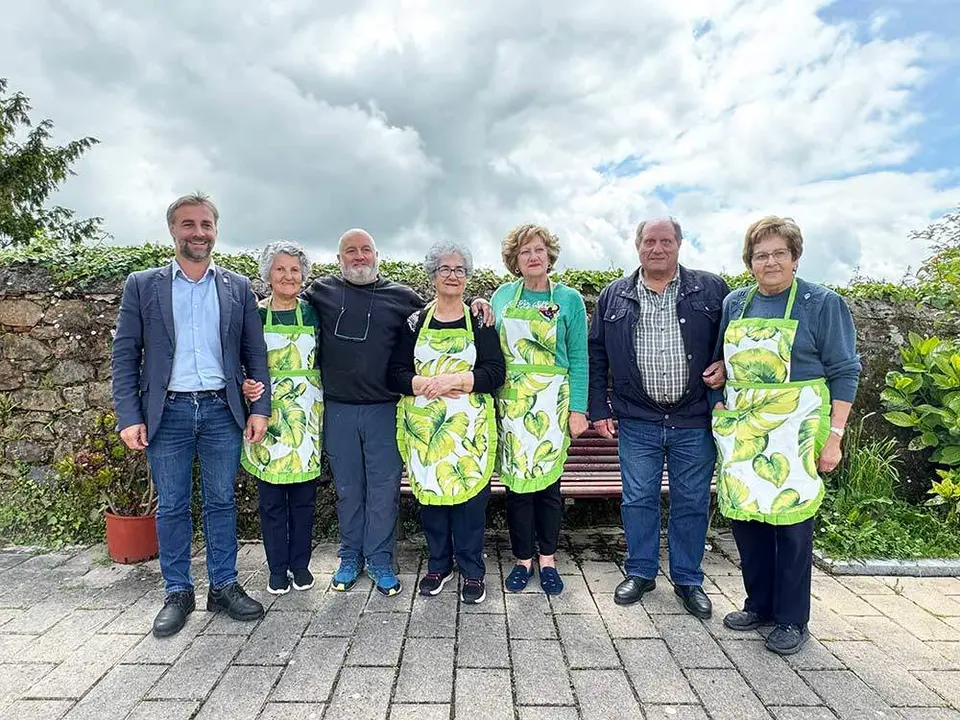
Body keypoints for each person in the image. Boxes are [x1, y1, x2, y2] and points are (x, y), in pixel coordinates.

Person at [111, 192, 271, 638]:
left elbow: (254, 352)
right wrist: (129, 415)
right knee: (173, 505)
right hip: (168, 413)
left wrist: (260, 408)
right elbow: (125, 354)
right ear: (173, 230)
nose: (198, 233)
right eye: (188, 224)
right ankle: (178, 592)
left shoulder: (237, 287)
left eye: (206, 224)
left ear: (215, 231)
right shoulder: (143, 285)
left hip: (222, 409)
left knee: (221, 501)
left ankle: (223, 586)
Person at [302, 229, 493, 597]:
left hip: (384, 410)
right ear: (339, 259)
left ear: (378, 255)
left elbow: (446, 304)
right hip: (339, 410)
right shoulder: (321, 292)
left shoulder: (402, 298)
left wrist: (479, 301)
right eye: (350, 251)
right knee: (348, 490)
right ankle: (349, 558)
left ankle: (380, 560)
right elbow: (284, 300)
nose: (359, 256)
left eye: (366, 250)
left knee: (384, 491)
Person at [713, 216, 860, 655]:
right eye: (761, 255)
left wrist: (834, 436)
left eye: (780, 253)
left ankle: (793, 619)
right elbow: (723, 360)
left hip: (798, 429)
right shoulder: (735, 303)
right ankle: (759, 605)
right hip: (745, 429)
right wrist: (719, 392)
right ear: (749, 262)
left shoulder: (822, 303)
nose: (770, 262)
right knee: (747, 518)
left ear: (795, 257)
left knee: (792, 524)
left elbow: (845, 371)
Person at [588, 217, 728, 619]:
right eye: (649, 241)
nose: (657, 248)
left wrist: (725, 365)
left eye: (666, 241)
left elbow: (733, 341)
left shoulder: (711, 289)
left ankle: (687, 579)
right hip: (638, 418)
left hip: (694, 416)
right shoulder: (613, 295)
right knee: (638, 499)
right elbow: (597, 355)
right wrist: (599, 408)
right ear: (638, 247)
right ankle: (641, 572)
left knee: (692, 501)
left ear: (679, 244)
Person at [388, 242, 505, 604]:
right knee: (433, 500)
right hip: (427, 431)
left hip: (469, 432)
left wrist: (456, 380)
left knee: (471, 503)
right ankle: (438, 565)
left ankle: (472, 569)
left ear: (467, 277)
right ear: (432, 276)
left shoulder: (480, 320)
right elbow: (394, 373)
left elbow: (495, 372)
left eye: (459, 270)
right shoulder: (415, 322)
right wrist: (422, 384)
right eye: (445, 269)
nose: (452, 276)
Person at [491, 224, 588, 596]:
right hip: (512, 406)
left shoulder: (569, 299)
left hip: (552, 405)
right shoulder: (502, 296)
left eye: (539, 250)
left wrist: (577, 409)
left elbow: (578, 357)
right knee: (516, 488)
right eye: (524, 251)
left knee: (548, 487)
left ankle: (547, 559)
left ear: (549, 256)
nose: (533, 257)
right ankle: (522, 560)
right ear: (515, 260)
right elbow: (489, 347)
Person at [239, 241, 323, 596]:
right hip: (267, 418)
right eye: (280, 269)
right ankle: (276, 568)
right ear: (267, 275)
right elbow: (236, 359)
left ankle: (300, 566)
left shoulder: (314, 314)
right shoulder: (254, 316)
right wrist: (243, 384)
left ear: (303, 276)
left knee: (304, 500)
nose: (288, 276)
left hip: (305, 419)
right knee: (272, 501)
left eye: (294, 270)